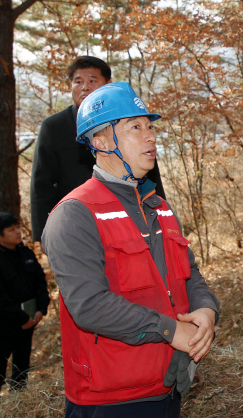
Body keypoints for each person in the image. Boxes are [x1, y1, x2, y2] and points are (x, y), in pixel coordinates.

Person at [42, 82, 219, 417]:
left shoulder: (157, 206)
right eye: (135, 127)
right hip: (112, 398)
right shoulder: (74, 214)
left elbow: (190, 275)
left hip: (168, 383)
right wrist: (170, 330)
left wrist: (207, 312)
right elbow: (90, 306)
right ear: (101, 142)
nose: (150, 136)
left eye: (150, 125)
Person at [31, 56, 165, 244]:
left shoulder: (127, 121)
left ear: (108, 84)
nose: (85, 87)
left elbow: (150, 173)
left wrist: (161, 215)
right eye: (78, 81)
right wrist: (43, 235)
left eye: (92, 80)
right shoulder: (54, 127)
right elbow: (41, 186)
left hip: (129, 217)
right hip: (76, 222)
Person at [0, 213, 50, 409]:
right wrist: (21, 318)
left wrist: (40, 310)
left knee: (22, 358)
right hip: (3, 324)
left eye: (17, 227)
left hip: (28, 320)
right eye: (11, 229)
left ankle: (20, 396)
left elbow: (40, 282)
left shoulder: (26, 254)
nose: (18, 231)